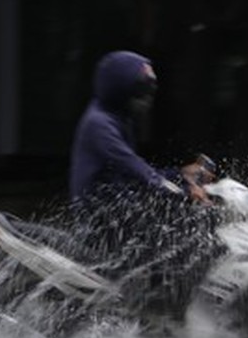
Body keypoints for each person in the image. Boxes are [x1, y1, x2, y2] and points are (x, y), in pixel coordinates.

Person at [67, 50, 215, 316]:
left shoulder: (118, 118)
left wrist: (182, 174)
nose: (145, 99)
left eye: (148, 92)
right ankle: (159, 311)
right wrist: (184, 190)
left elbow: (137, 172)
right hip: (103, 215)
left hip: (119, 204)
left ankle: (163, 305)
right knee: (176, 241)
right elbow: (138, 171)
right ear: (119, 89)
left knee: (182, 232)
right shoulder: (100, 124)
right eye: (139, 91)